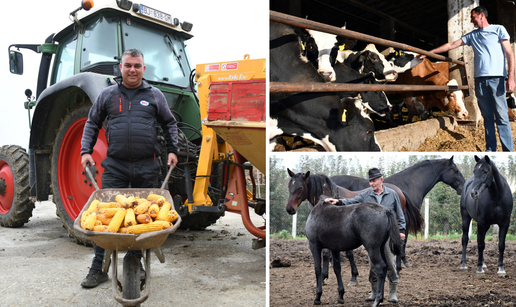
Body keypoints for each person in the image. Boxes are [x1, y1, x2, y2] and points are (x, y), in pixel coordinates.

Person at [79, 48, 179, 288]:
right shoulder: (108, 95)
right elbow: (92, 122)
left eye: (137, 65)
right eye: (128, 65)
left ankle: (136, 261)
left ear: (144, 69)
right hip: (116, 166)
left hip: (147, 165)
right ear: (120, 68)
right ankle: (98, 267)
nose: (132, 69)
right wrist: (85, 151)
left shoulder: (155, 95)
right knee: (103, 216)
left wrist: (173, 149)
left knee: (142, 219)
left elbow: (169, 123)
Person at [423, 6, 515, 152]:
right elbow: (452, 45)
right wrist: (429, 52)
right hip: (479, 81)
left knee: (502, 117)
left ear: (481, 16)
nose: (471, 20)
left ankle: (508, 152)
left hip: (497, 79)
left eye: (473, 17)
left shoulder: (499, 29)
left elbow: (510, 53)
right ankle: (491, 150)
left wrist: (511, 77)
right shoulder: (473, 35)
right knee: (487, 117)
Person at [325, 168, 406, 303]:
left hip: (388, 232)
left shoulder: (392, 194)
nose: (372, 184)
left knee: (390, 262)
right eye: (370, 181)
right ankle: (374, 292)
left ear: (381, 180)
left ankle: (393, 292)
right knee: (373, 264)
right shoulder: (366, 195)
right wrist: (338, 202)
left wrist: (401, 230)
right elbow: (352, 201)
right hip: (373, 236)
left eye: (374, 181)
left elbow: (400, 214)